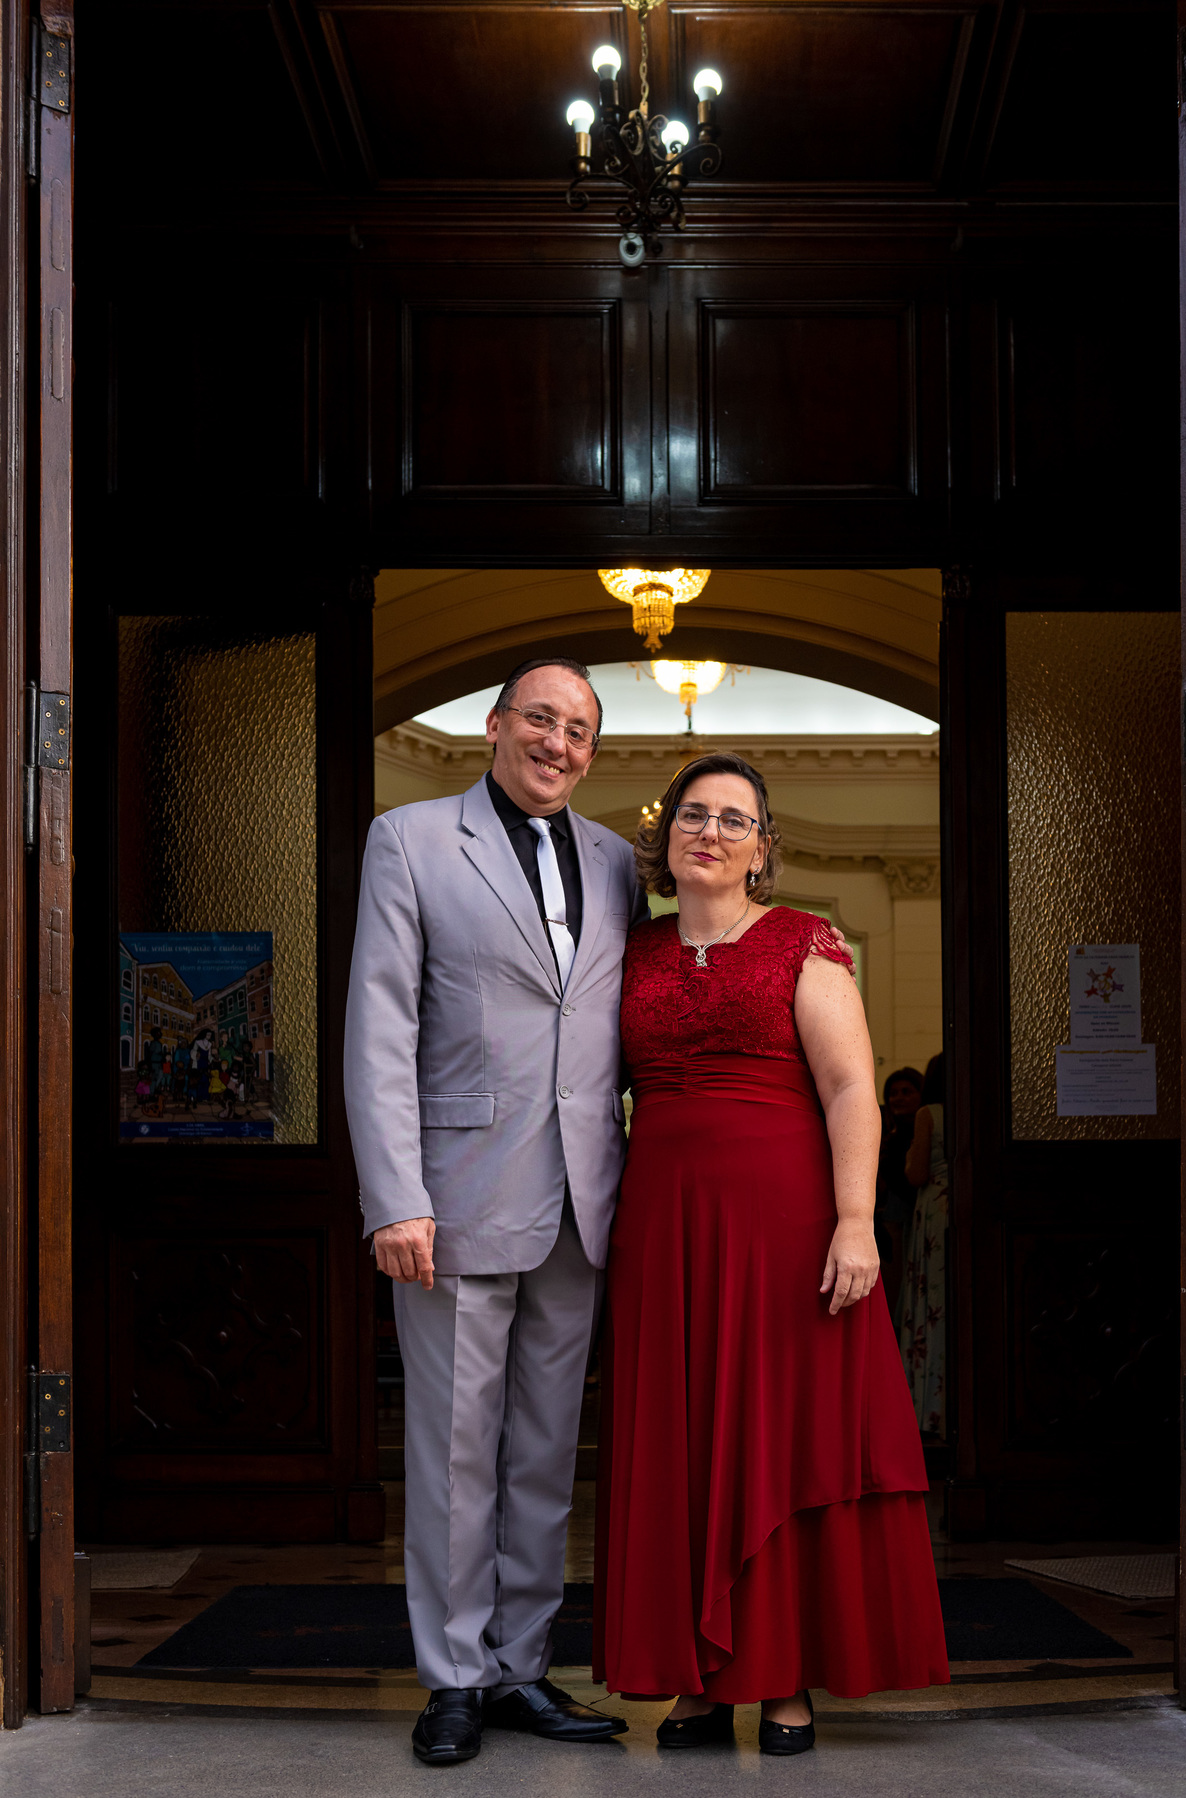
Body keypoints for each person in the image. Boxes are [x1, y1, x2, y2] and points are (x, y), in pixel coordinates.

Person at [594, 752, 948, 1756]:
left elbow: (848, 1089)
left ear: (763, 849)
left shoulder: (804, 943)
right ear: (665, 841)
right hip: (662, 1229)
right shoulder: (633, 950)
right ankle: (695, 1683)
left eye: (734, 819)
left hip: (789, 1224)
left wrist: (853, 1219)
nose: (710, 830)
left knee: (778, 1437)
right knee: (684, 1439)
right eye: (692, 815)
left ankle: (782, 1676)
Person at [342, 657, 650, 1766]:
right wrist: (396, 1196)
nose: (559, 744)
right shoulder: (412, 838)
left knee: (541, 1453)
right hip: (453, 1199)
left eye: (580, 730)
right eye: (542, 719)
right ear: (494, 724)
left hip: (582, 1199)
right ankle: (454, 1676)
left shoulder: (619, 861)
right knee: (455, 1451)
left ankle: (522, 1666)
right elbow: (378, 1026)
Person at [899, 1052, 949, 1439]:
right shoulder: (980, 1108)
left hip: (934, 1209)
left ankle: (928, 1410)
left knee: (930, 1303)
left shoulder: (928, 1114)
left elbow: (916, 1174)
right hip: (962, 1207)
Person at [876, 1066, 924, 1315]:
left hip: (917, 1219)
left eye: (907, 1091)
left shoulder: (928, 1133)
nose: (899, 1098)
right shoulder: (885, 1135)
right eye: (893, 1093)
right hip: (894, 1225)